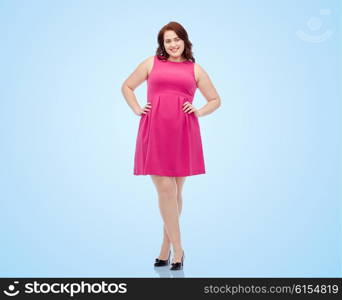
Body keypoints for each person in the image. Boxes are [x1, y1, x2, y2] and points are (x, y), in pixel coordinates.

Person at [121, 21, 221, 270]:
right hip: (154, 129)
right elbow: (127, 86)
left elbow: (215, 99)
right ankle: (179, 250)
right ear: (162, 44)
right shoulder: (150, 63)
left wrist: (198, 111)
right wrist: (136, 108)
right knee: (165, 188)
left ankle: (165, 248)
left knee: (175, 192)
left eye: (177, 39)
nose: (173, 44)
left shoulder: (195, 69)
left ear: (185, 41)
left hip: (183, 131)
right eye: (168, 41)